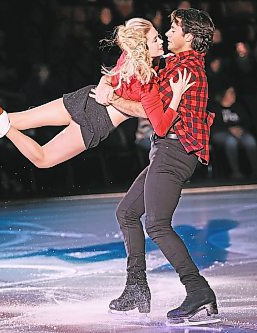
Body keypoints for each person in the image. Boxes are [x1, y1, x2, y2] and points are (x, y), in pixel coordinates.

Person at [91, 8, 218, 323]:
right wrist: (113, 78)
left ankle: (199, 292)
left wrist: (111, 99)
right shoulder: (176, 63)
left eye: (173, 29)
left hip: (174, 150)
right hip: (168, 149)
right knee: (127, 213)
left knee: (158, 225)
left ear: (188, 36)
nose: (168, 33)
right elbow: (139, 71)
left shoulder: (183, 71)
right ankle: (136, 286)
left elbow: (154, 116)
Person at [0, 18, 193, 170]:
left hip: (85, 97)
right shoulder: (147, 79)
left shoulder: (129, 59)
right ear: (143, 46)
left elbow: (110, 79)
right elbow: (152, 117)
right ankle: (2, 125)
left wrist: (107, 88)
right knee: (42, 159)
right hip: (97, 121)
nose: (162, 41)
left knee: (18, 118)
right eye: (157, 39)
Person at [210, 85, 257, 179]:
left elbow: (248, 122)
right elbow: (213, 125)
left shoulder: (238, 107)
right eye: (231, 93)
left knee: (250, 140)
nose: (234, 95)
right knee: (231, 141)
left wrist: (241, 129)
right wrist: (229, 130)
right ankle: (236, 172)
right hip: (221, 133)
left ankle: (255, 171)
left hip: (240, 132)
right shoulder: (214, 108)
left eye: (234, 93)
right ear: (223, 94)